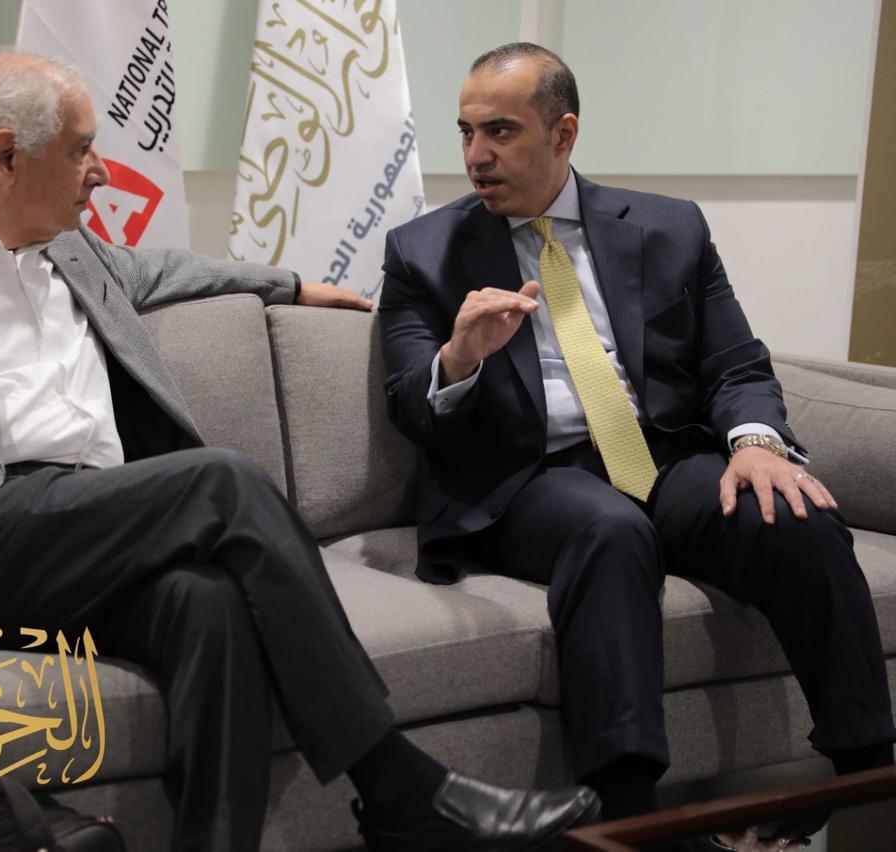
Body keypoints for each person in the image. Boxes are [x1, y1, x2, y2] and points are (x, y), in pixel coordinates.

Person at [0, 50, 598, 852]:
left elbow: (175, 269)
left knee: (209, 604)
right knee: (222, 481)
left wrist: (289, 284)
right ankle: (397, 785)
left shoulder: (75, 252)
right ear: (5, 156)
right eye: (81, 149)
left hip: (102, 529)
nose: (100, 172)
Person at [378, 42, 895, 820]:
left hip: (662, 461)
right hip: (528, 480)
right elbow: (409, 407)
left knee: (796, 513)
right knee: (612, 532)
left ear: (563, 133)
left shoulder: (669, 228)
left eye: (500, 131)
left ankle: (865, 781)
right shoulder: (422, 253)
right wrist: (459, 360)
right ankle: (627, 814)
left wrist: (757, 444)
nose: (476, 156)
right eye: (466, 132)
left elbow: (737, 365)